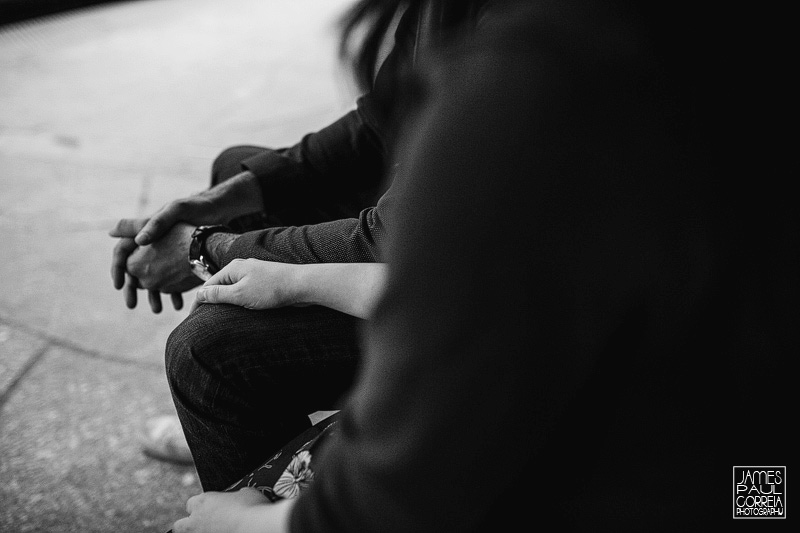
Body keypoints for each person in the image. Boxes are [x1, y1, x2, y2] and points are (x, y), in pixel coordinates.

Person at [161, 0, 794, 531]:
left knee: (211, 361)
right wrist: (292, 271)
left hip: (697, 485)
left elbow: (403, 495)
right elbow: (503, 301)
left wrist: (244, 522)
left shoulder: (533, 82)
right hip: (761, 481)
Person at [109, 1, 490, 472]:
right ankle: (233, 435)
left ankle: (268, 481)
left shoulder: (523, 42)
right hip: (436, 249)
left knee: (207, 351)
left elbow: (398, 242)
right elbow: (380, 121)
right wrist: (226, 200)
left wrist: (200, 247)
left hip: (487, 310)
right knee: (239, 174)